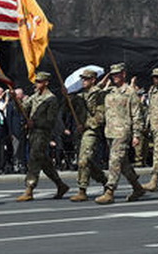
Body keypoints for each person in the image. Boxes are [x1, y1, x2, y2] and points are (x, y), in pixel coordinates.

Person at [95, 64, 146, 205]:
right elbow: (93, 93)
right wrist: (104, 80)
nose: (115, 76)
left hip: (122, 132)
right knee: (123, 165)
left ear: (124, 74)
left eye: (118, 74)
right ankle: (138, 188)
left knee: (114, 161)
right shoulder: (109, 91)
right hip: (110, 132)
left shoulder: (130, 92)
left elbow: (137, 115)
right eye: (113, 74)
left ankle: (109, 191)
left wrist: (136, 135)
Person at [16, 72, 69, 201]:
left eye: (39, 81)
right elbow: (23, 108)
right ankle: (60, 185)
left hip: (43, 133)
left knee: (34, 159)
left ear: (46, 82)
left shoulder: (51, 99)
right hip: (33, 133)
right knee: (44, 162)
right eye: (36, 81)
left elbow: (51, 121)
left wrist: (34, 123)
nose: (36, 84)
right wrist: (15, 99)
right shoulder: (35, 96)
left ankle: (29, 188)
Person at [69, 69, 108, 202]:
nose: (83, 81)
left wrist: (85, 125)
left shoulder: (99, 94)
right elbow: (69, 107)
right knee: (88, 162)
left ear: (93, 80)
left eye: (86, 79)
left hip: (91, 131)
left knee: (84, 160)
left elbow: (100, 116)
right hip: (80, 132)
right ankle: (104, 180)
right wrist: (66, 96)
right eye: (83, 79)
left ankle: (82, 190)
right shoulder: (80, 95)